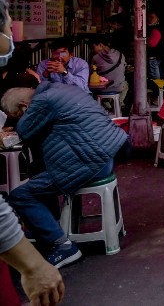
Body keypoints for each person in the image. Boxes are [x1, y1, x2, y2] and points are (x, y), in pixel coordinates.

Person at [2, 84, 128, 269]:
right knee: (38, 169)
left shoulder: (42, 102)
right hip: (110, 151)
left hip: (92, 161)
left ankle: (63, 246)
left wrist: (16, 124)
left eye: (19, 114)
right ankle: (47, 225)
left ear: (24, 106)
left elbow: (24, 131)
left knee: (20, 196)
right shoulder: (64, 89)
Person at [0, 0, 65, 306]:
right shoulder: (38, 83)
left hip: (79, 162)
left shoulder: (37, 83)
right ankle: (58, 240)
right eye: (7, 27)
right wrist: (32, 265)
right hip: (87, 161)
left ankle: (52, 235)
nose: (12, 32)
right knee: (26, 189)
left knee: (30, 185)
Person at [90, 35, 128, 110]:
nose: (92, 50)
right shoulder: (120, 54)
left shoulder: (95, 58)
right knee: (125, 85)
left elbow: (92, 73)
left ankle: (108, 105)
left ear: (101, 45)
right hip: (119, 88)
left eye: (93, 47)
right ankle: (119, 103)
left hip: (102, 89)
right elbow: (123, 70)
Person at [147, 13, 164, 80]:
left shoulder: (155, 30)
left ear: (157, 19)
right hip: (157, 55)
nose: (149, 19)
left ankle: (158, 88)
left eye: (152, 17)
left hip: (154, 55)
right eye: (149, 17)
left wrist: (145, 41)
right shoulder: (153, 28)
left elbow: (152, 43)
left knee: (155, 75)